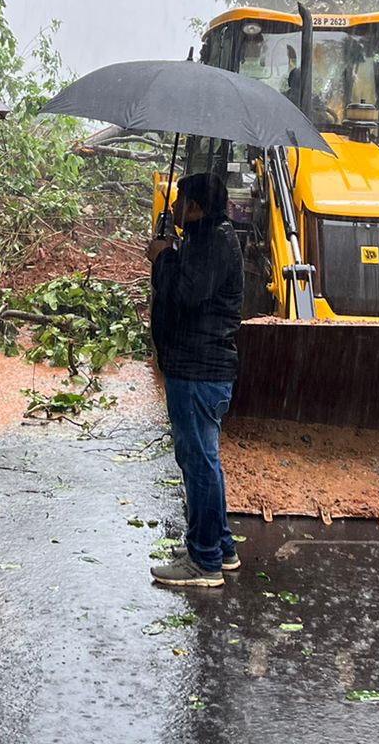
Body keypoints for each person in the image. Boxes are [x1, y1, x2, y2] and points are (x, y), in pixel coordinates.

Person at [146, 171, 243, 588]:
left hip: (198, 369)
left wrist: (163, 257)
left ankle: (203, 562)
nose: (175, 209)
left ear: (198, 206)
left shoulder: (212, 242)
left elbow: (185, 295)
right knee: (205, 460)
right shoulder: (210, 238)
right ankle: (219, 546)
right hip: (200, 367)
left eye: (181, 201)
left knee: (198, 462)